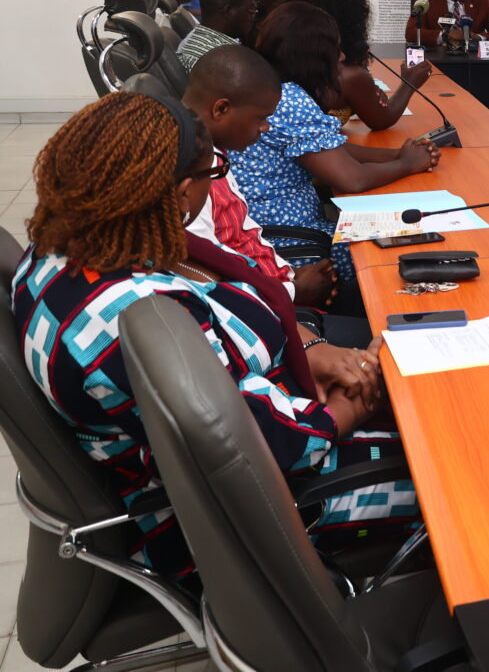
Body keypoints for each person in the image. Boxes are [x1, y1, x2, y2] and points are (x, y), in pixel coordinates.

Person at [13, 93, 418, 581]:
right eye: (215, 172)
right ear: (183, 192)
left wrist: (309, 351)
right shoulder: (141, 320)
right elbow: (257, 449)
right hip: (236, 518)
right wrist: (361, 397)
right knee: (450, 464)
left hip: (241, 444)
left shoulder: (71, 247)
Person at [232, 3, 440, 282]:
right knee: (402, 254)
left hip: (281, 229)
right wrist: (408, 165)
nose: (341, 57)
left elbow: (333, 149)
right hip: (287, 244)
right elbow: (352, 179)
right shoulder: (289, 100)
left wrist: (398, 155)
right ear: (313, 56)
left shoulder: (271, 86)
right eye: (335, 49)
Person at [181, 45, 336, 311]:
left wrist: (290, 275)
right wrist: (293, 291)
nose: (265, 127)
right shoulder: (191, 175)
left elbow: (247, 232)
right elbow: (210, 267)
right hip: (262, 308)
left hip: (274, 289)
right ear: (221, 109)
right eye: (261, 118)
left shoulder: (214, 155)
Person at [284, 0, 433, 130]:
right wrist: (409, 83)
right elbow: (381, 120)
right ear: (353, 16)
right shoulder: (346, 74)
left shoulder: (282, 56)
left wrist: (362, 96)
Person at [175, 0, 257, 72]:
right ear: (228, 11)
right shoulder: (218, 59)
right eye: (251, 9)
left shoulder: (203, 41)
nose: (254, 15)